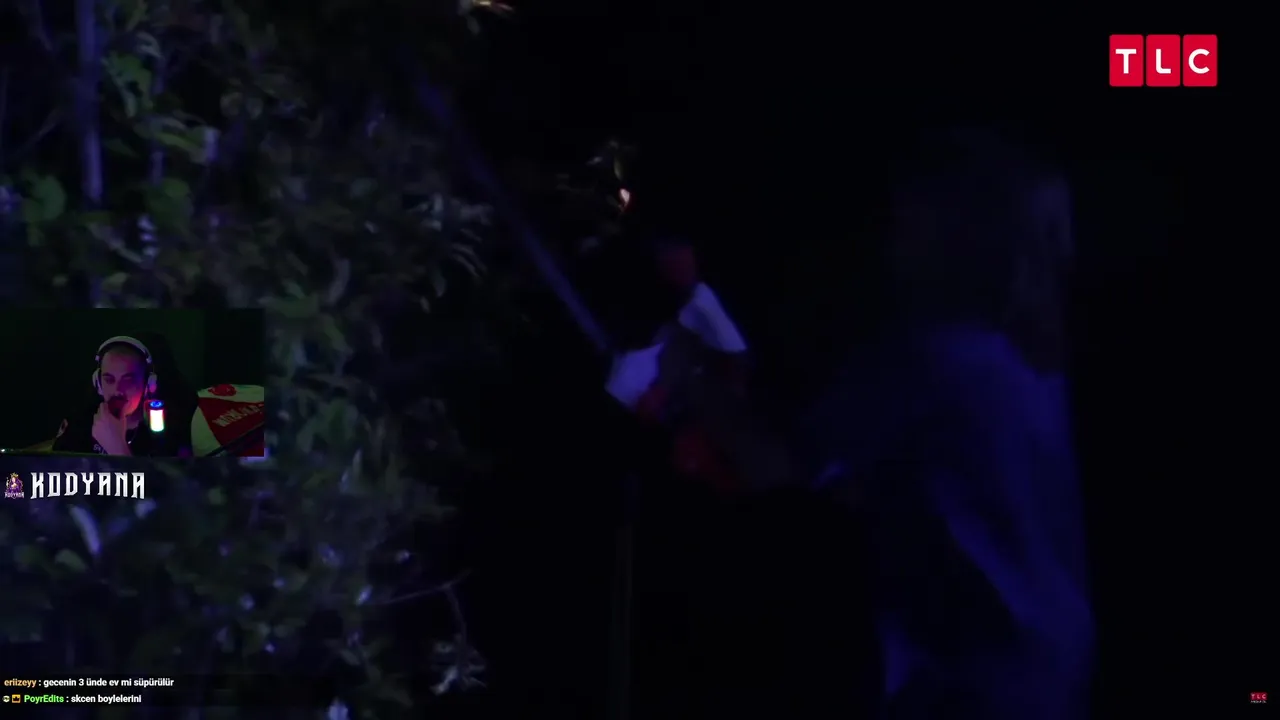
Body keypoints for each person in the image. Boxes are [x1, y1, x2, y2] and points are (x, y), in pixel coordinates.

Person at [796, 129, 1092, 719]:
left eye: (910, 224)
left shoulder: (934, 363)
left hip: (974, 691)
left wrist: (692, 377)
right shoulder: (1031, 370)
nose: (890, 246)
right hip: (1049, 678)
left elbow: (787, 460)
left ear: (960, 238)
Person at [51, 335, 191, 457]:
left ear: (148, 384)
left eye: (127, 381)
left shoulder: (169, 433)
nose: (117, 390)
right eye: (109, 379)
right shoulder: (79, 423)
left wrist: (117, 448)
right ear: (98, 383)